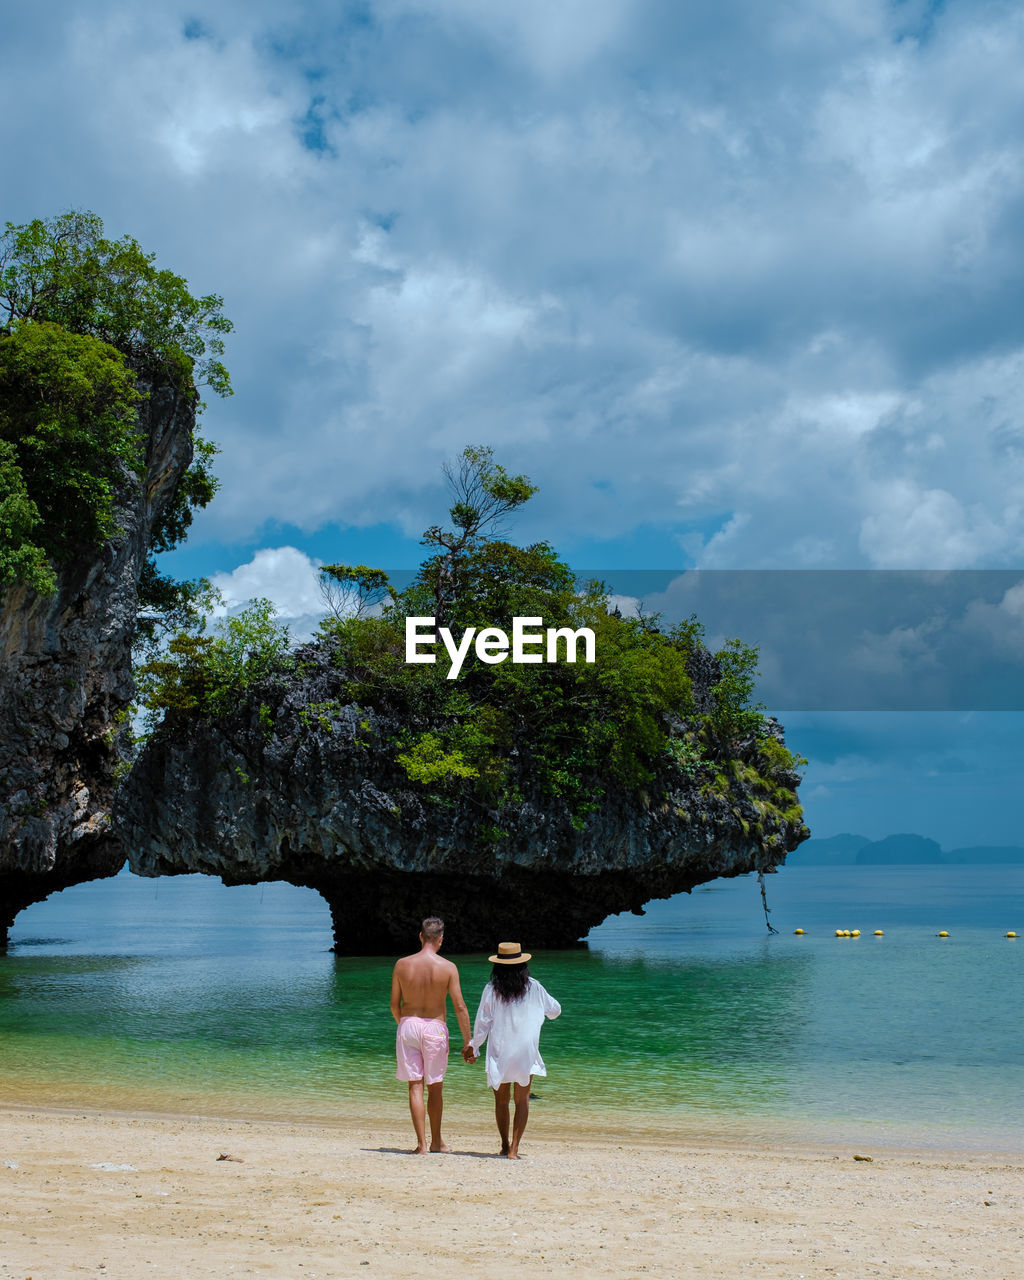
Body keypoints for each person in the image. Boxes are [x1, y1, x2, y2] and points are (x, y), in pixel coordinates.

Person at [463, 941, 561, 1159]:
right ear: (523, 965)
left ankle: (505, 1144)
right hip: (526, 1050)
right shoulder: (534, 986)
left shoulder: (491, 989)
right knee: (522, 1100)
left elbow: (483, 1022)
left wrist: (473, 1047)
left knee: (501, 1101)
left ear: (497, 967)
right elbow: (555, 1011)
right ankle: (514, 1149)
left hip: (501, 1050)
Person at [390, 916, 472, 1154]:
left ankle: (422, 1145)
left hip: (408, 1024)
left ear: (420, 937)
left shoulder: (402, 964)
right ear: (440, 939)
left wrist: (404, 1025)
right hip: (435, 1028)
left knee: (415, 1086)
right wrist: (469, 1042)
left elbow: (394, 1004)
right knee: (434, 1086)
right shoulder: (448, 967)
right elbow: (460, 1007)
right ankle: (437, 1142)